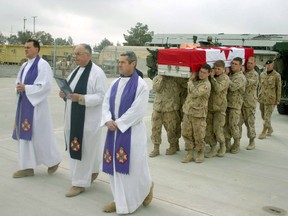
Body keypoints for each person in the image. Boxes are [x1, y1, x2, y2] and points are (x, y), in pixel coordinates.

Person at [101, 51, 153, 214]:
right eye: (119, 62)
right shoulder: (115, 83)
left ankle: (143, 190)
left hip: (131, 132)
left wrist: (119, 123)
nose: (120, 65)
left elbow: (137, 110)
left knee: (133, 167)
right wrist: (108, 119)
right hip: (113, 131)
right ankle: (119, 200)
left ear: (133, 64)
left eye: (123, 62)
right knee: (115, 167)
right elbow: (105, 104)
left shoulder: (141, 86)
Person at [59, 44, 107, 197]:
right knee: (84, 149)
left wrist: (81, 98)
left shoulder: (97, 73)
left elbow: (101, 96)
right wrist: (65, 94)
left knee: (84, 149)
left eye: (78, 54)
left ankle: (79, 183)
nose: (75, 57)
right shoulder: (75, 71)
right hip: (73, 116)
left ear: (88, 55)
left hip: (87, 120)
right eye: (74, 54)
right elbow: (70, 91)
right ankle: (92, 172)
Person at [12, 39, 61, 178]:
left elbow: (45, 86)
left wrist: (26, 88)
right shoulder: (24, 65)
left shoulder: (42, 65)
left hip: (36, 107)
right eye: (25, 47)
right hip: (24, 105)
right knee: (25, 137)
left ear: (37, 49)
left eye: (28, 47)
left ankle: (53, 160)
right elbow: (18, 80)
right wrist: (19, 86)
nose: (25, 49)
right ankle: (27, 167)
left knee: (41, 136)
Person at [181, 64, 211, 163]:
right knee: (186, 133)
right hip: (188, 112)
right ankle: (189, 153)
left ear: (209, 74)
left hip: (198, 114)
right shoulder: (196, 82)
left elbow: (195, 93)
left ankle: (200, 152)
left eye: (204, 73)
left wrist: (190, 81)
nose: (202, 74)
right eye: (201, 72)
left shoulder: (206, 85)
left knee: (199, 134)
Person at [149, 75, 181, 157]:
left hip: (170, 107)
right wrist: (161, 77)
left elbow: (184, 87)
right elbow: (156, 88)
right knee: (155, 128)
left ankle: (173, 145)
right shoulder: (157, 78)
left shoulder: (176, 78)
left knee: (171, 128)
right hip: (158, 107)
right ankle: (156, 148)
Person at [205, 60, 230, 158]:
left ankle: (223, 146)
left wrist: (212, 78)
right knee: (209, 129)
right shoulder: (211, 78)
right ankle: (213, 148)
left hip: (220, 108)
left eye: (218, 69)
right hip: (210, 107)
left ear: (223, 69)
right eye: (215, 68)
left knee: (218, 129)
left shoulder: (225, 78)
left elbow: (218, 88)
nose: (216, 70)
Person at [224, 57, 246, 154]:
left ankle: (237, 143)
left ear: (240, 66)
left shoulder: (241, 77)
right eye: (232, 63)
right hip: (227, 104)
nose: (233, 65)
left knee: (233, 125)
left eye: (236, 64)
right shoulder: (232, 75)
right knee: (225, 126)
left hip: (235, 105)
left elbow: (232, 87)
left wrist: (226, 76)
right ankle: (227, 144)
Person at [258, 60, 281, 139]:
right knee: (263, 115)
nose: (268, 66)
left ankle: (264, 131)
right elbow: (260, 86)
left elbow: (279, 88)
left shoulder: (276, 75)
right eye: (267, 65)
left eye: (270, 65)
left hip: (271, 99)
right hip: (262, 98)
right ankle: (270, 128)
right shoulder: (262, 74)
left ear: (273, 66)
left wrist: (278, 99)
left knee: (267, 117)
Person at [238, 57, 259, 149]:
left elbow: (246, 83)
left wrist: (241, 73)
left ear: (254, 64)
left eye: (251, 63)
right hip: (240, 102)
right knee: (238, 123)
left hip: (249, 103)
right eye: (247, 63)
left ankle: (252, 141)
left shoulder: (254, 74)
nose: (249, 64)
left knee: (249, 123)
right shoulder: (244, 72)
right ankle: (236, 141)